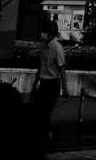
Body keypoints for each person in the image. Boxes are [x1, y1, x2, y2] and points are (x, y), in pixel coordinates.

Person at [29, 18, 69, 152]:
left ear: (51, 34)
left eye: (44, 32)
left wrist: (65, 88)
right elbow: (40, 68)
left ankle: (45, 139)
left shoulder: (57, 48)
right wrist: (35, 85)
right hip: (44, 83)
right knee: (37, 112)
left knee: (44, 113)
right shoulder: (43, 47)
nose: (42, 35)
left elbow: (62, 69)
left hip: (52, 85)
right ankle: (44, 137)